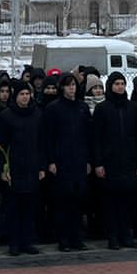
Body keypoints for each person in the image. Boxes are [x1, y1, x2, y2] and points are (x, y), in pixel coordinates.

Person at [92, 71, 137, 250]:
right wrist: (98, 163)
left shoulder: (133, 108)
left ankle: (126, 235)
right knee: (111, 202)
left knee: (128, 201)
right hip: (110, 162)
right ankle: (113, 236)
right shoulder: (102, 109)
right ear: (110, 86)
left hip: (129, 162)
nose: (120, 87)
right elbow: (96, 138)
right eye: (116, 84)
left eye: (122, 83)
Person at [0, 82, 44, 255]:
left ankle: (27, 241)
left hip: (32, 166)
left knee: (29, 207)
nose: (25, 97)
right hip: (13, 167)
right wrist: (3, 168)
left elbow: (42, 143)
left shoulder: (37, 115)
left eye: (27, 94)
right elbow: (0, 145)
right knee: (13, 207)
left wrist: (41, 166)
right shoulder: (6, 116)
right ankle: (14, 243)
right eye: (21, 94)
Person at [42, 74, 92, 252]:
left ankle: (77, 238)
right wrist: (51, 161)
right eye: (69, 85)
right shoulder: (53, 109)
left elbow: (87, 136)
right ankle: (63, 239)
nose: (72, 88)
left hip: (79, 160)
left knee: (78, 201)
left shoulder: (82, 108)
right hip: (61, 161)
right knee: (63, 201)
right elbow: (48, 137)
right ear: (62, 87)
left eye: (74, 85)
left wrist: (88, 160)